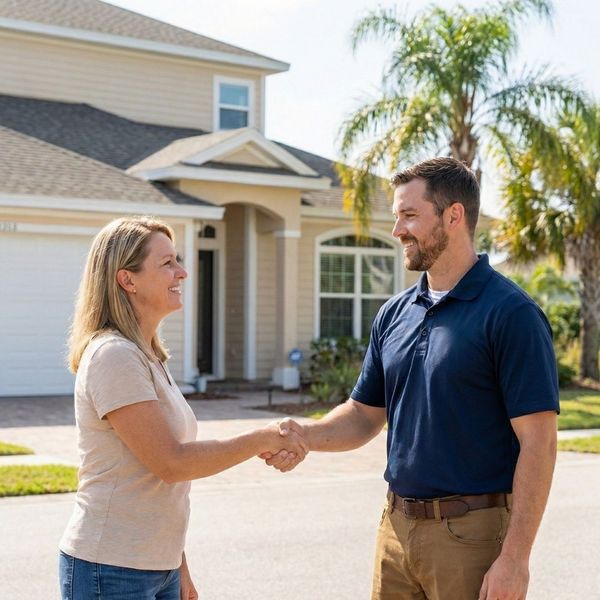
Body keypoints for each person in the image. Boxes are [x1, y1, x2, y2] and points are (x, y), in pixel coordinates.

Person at [263, 157, 559, 600]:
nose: (398, 230)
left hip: (472, 536)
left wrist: (515, 559)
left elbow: (540, 442)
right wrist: (305, 434)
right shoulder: (394, 313)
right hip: (396, 529)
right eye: (396, 216)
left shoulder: (511, 314)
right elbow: (364, 415)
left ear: (453, 216)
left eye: (409, 215)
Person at [59, 216, 307, 600]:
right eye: (167, 263)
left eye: (178, 260)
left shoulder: (148, 356)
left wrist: (178, 565)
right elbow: (171, 463)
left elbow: (157, 489)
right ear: (128, 280)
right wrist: (261, 437)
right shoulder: (114, 356)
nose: (184, 272)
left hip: (157, 566)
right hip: (109, 570)